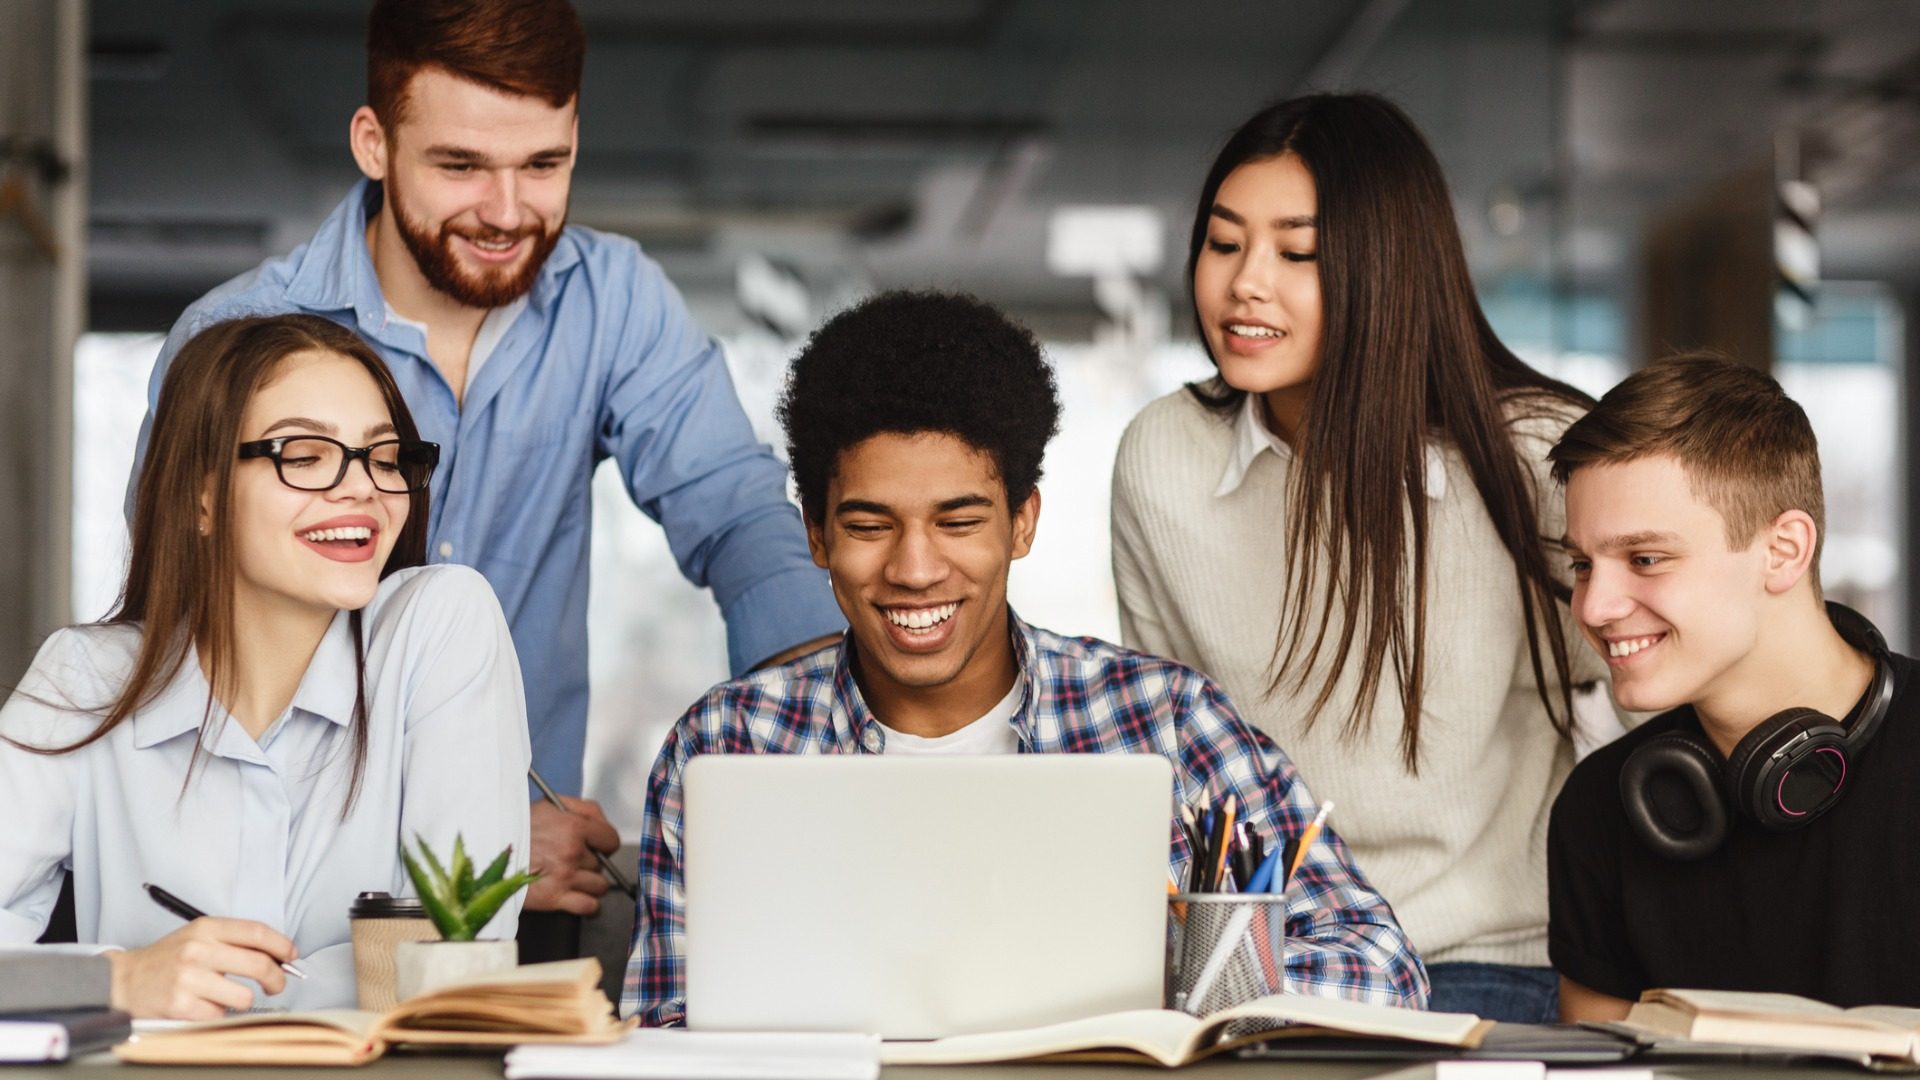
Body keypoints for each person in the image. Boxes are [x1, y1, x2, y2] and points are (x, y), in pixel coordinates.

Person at [125, 0, 844, 919]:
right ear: (374, 143)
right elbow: (182, 651)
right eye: (460, 165)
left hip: (535, 900)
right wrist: (473, 845)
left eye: (544, 164)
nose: (507, 214)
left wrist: (833, 748)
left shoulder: (613, 301)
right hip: (275, 894)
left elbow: (742, 523)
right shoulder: (236, 338)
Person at [620, 290, 1427, 1025]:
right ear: (817, 536)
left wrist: (1182, 977)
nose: (914, 568)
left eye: (959, 522)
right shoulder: (726, 745)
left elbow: (1381, 967)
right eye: (869, 527)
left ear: (1022, 523)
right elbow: (660, 1028)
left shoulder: (1166, 721)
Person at [1109, 93, 1610, 1022]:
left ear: (1386, 269)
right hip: (1265, 970)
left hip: (1480, 962)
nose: (1245, 283)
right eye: (1224, 244)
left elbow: (1645, 687)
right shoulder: (1162, 457)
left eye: (1298, 253)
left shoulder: (1535, 453)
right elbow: (1174, 757)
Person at [1, 315, 530, 1017]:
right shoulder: (87, 679)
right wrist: (120, 981)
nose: (363, 489)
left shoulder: (438, 624)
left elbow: (459, 952)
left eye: (383, 456)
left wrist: (223, 992)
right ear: (203, 496)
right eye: (305, 455)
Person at [1548, 356, 1920, 1016]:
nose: (1595, 607)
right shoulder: (1600, 808)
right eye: (1583, 564)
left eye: (1645, 559)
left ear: (1783, 552)